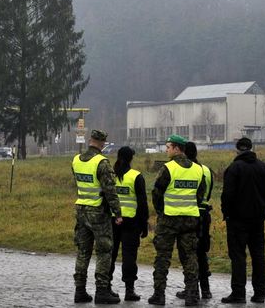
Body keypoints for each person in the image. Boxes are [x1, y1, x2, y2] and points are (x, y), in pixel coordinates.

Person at [148, 135, 205, 307]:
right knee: (190, 258)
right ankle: (192, 295)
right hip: (189, 220)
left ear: (177, 148)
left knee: (163, 258)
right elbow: (199, 195)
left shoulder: (168, 168)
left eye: (168, 147)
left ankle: (159, 295)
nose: (166, 150)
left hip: (169, 220)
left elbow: (157, 193)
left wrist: (161, 212)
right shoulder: (197, 169)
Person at [220, 137, 265, 304]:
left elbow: (227, 195)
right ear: (251, 148)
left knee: (238, 256)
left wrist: (227, 213)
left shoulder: (234, 168)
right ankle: (260, 293)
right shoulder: (264, 168)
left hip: (237, 220)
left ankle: (238, 292)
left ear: (237, 150)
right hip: (258, 220)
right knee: (258, 255)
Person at [72, 129, 123, 305]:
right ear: (102, 143)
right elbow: (110, 190)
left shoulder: (76, 160)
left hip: (81, 210)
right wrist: (117, 213)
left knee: (83, 252)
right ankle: (102, 291)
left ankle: (80, 291)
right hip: (98, 213)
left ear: (89, 140)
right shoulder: (102, 162)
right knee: (104, 251)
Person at [109, 146, 149, 301]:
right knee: (129, 256)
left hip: (112, 220)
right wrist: (144, 224)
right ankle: (129, 290)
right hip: (131, 222)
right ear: (131, 158)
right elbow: (142, 203)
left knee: (110, 255)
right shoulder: (136, 176)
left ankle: (106, 287)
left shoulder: (111, 175)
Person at [176, 142, 214, 300]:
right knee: (201, 252)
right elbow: (209, 193)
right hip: (204, 216)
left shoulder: (183, 170)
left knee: (187, 254)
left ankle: (190, 288)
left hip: (186, 216)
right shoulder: (206, 170)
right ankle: (206, 289)